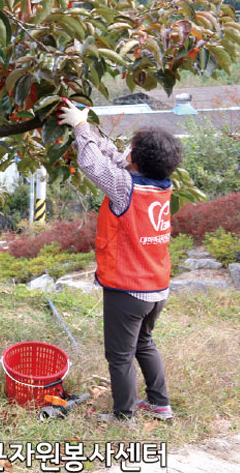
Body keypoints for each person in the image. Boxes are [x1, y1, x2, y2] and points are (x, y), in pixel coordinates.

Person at [59, 99, 182, 423]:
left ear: (136, 161)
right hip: (156, 287)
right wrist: (87, 124)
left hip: (127, 288)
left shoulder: (124, 187)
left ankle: (124, 415)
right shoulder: (160, 185)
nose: (123, 150)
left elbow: (93, 164)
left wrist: (79, 127)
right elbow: (114, 157)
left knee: (119, 355)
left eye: (129, 148)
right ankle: (160, 404)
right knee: (144, 343)